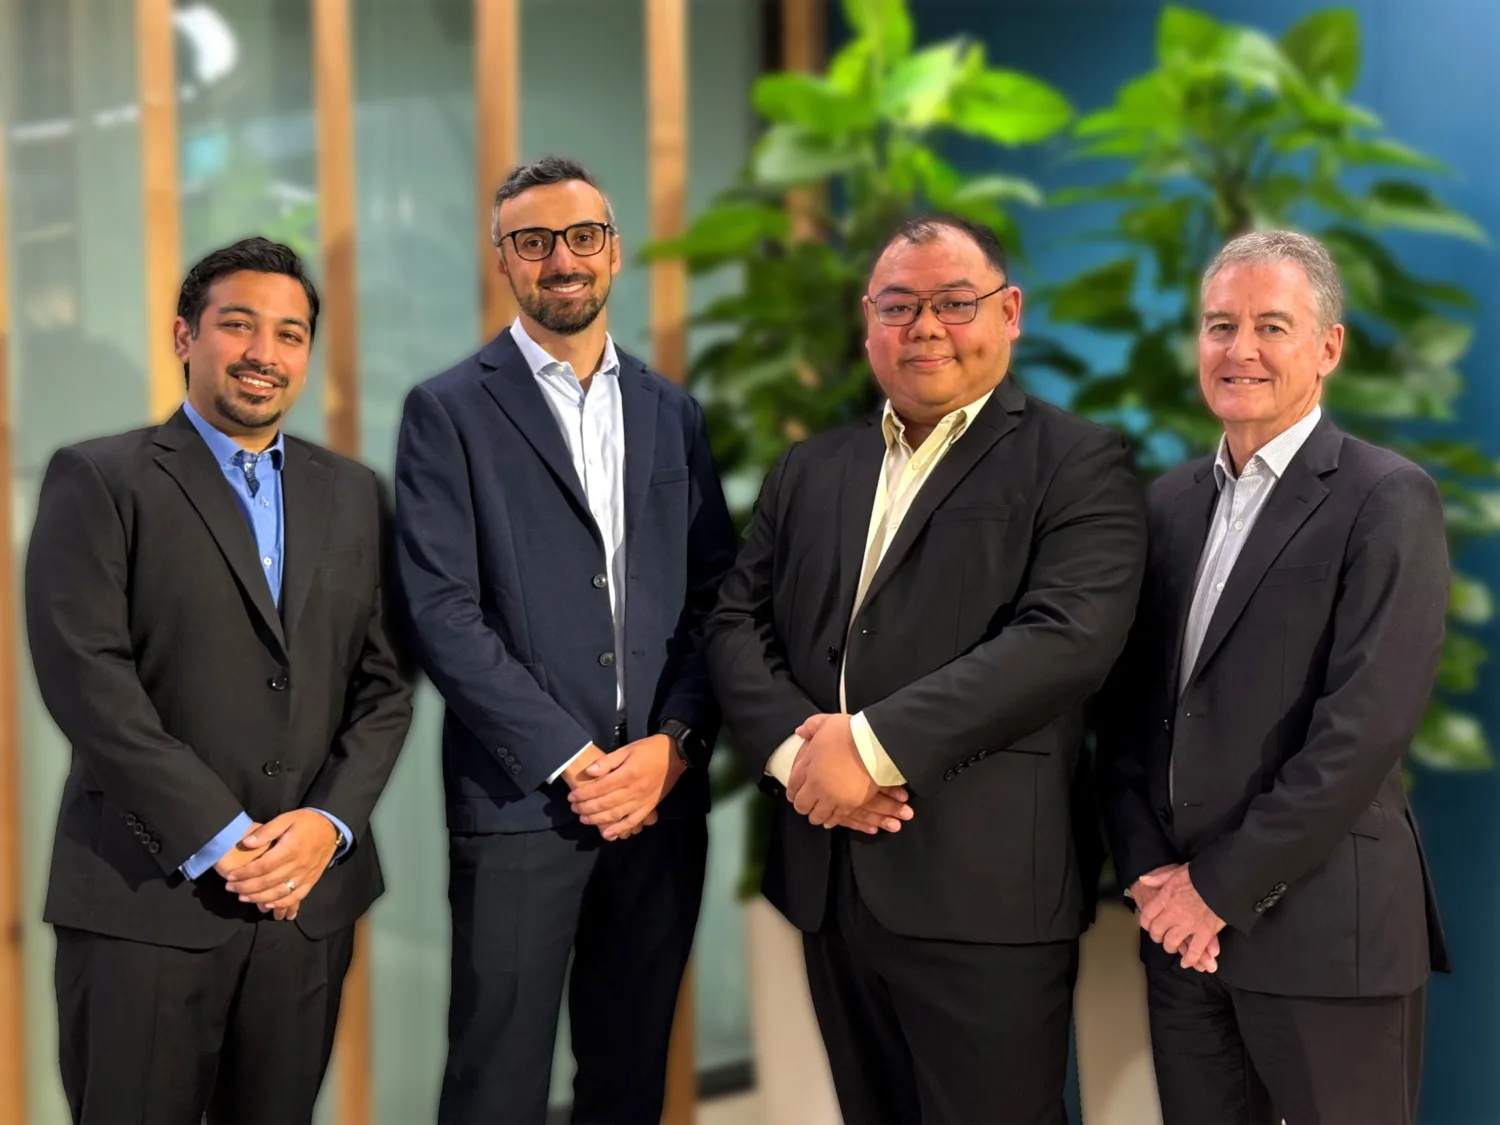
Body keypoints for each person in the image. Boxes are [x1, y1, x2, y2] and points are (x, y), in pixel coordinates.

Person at [705, 213, 1147, 1124]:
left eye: (955, 302)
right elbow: (733, 622)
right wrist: (801, 759)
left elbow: (1065, 638)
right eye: (900, 306)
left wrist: (866, 746)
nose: (927, 327)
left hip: (984, 892)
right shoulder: (811, 468)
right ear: (869, 321)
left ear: (1010, 311)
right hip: (830, 877)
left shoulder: (1077, 461)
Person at [25, 236, 414, 1124]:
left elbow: (385, 684)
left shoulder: (353, 493)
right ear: (183, 336)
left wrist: (327, 823)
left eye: (289, 333)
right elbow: (86, 678)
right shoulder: (100, 476)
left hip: (306, 904)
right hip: (144, 895)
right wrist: (221, 831)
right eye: (237, 325)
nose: (263, 353)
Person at [394, 156, 737, 1125]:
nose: (562, 260)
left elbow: (715, 598)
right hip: (521, 807)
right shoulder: (448, 411)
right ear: (503, 260)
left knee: (628, 1083)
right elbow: (441, 610)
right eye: (534, 241)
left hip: (660, 807)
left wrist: (670, 749)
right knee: (495, 1084)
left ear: (615, 252)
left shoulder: (673, 413)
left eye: (582, 236)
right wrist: (577, 760)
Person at [1098, 229, 1450, 1125]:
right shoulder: (1169, 502)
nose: (1239, 348)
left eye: (1271, 325)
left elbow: (1360, 730)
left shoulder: (1385, 497)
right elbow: (1131, 708)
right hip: (1182, 940)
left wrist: (1214, 890)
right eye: (1220, 325)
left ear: (1327, 347)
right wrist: (1148, 873)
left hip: (1326, 936)